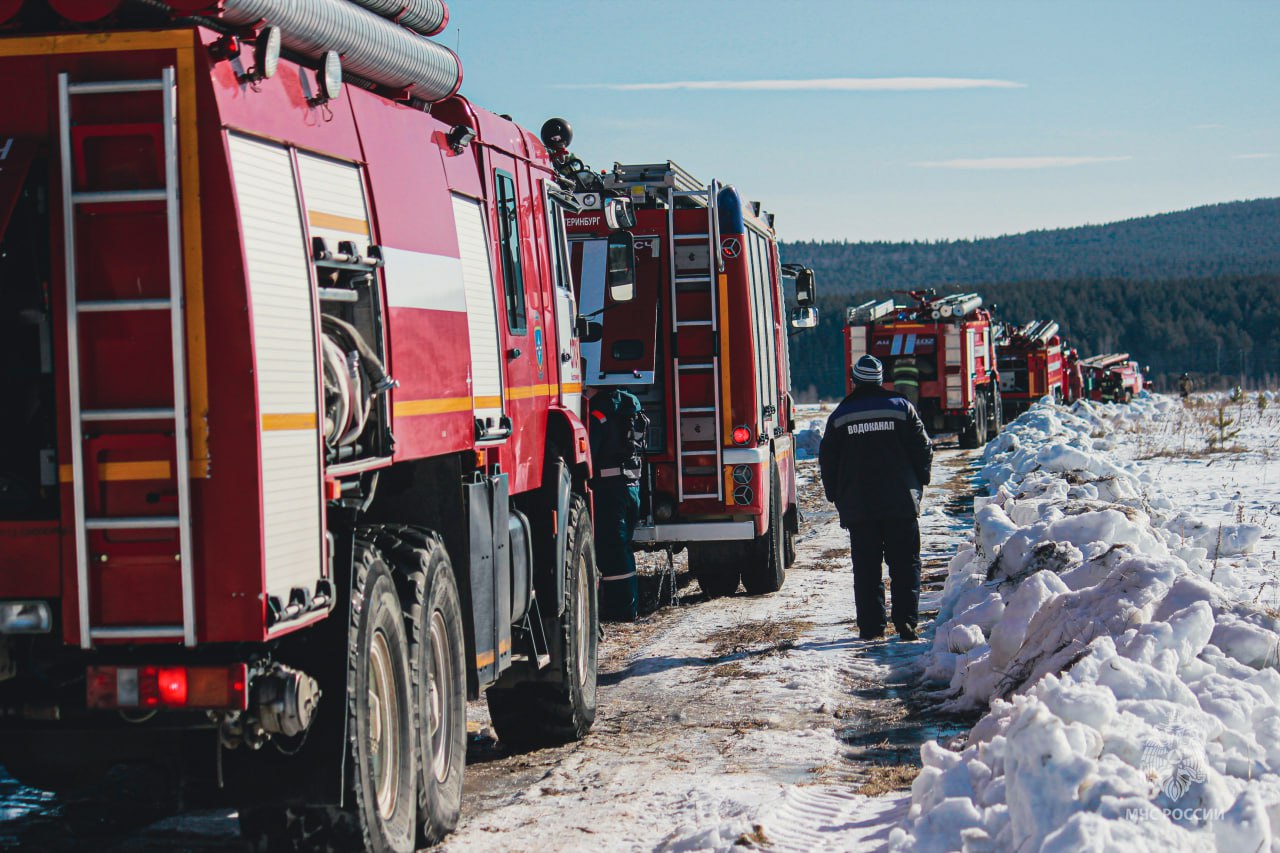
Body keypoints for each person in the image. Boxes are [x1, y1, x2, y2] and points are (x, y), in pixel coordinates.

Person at [819, 354, 933, 641]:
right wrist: (920, 481)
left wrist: (835, 494)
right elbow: (923, 449)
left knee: (867, 569)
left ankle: (871, 629)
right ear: (882, 380)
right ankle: (907, 623)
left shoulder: (840, 416)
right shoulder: (901, 408)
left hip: (860, 508)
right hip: (901, 504)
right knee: (905, 565)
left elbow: (828, 460)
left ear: (854, 381)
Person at [587, 387, 649, 622]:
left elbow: (590, 452)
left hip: (609, 489)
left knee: (613, 552)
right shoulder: (631, 407)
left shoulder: (599, 413)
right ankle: (628, 605)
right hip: (632, 486)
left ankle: (620, 610)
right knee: (623, 548)